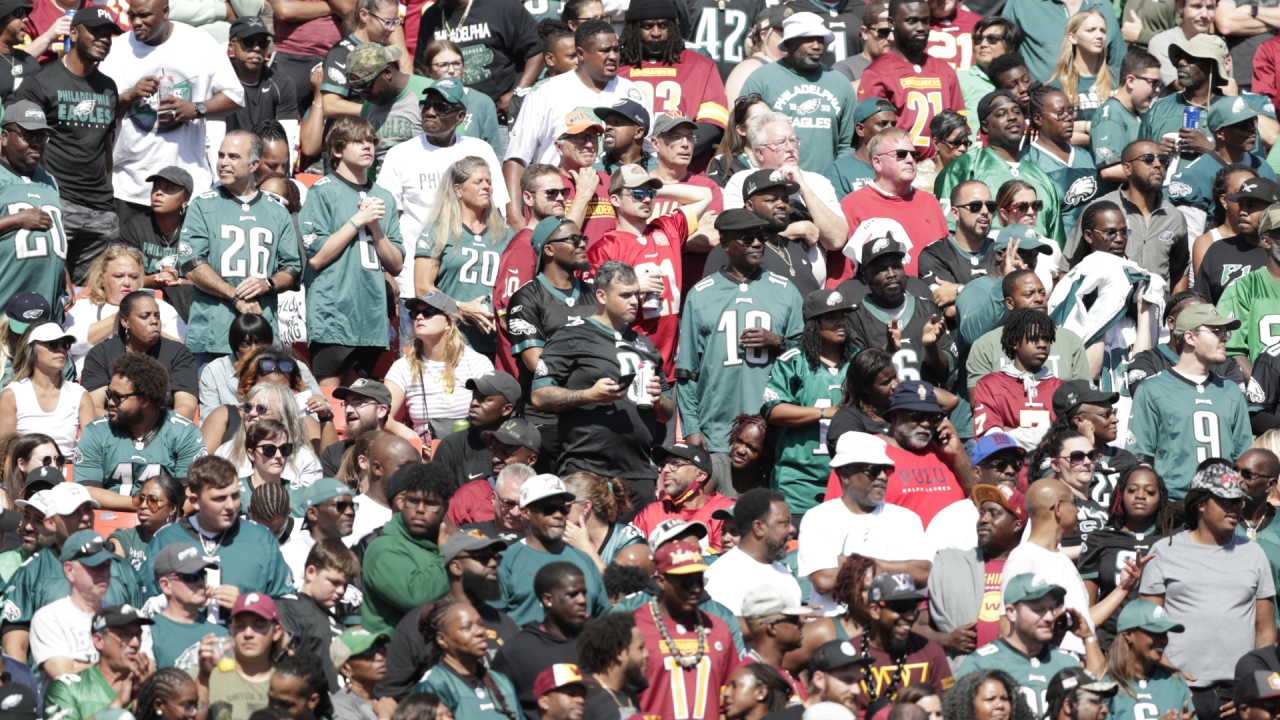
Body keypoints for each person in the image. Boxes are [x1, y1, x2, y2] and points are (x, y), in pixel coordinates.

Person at [677, 207, 804, 488]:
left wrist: (778, 343)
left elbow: (808, 360)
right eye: (747, 238)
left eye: (761, 236)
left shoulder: (786, 290)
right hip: (719, 430)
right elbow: (687, 370)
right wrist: (691, 426)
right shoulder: (700, 295)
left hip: (776, 431)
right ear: (724, 243)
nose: (758, 243)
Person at [1140, 461, 1277, 720]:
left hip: (1238, 696)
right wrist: (1168, 672)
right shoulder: (1164, 550)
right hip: (1179, 691)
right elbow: (1146, 623)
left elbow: (1266, 628)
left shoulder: (1253, 553)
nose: (1236, 507)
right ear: (1200, 503)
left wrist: (1252, 688)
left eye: (1239, 501)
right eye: (1227, 501)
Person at [530, 261, 673, 496]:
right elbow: (539, 396)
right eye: (626, 295)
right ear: (601, 296)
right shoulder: (571, 335)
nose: (635, 301)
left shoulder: (645, 344)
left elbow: (666, 412)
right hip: (588, 469)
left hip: (640, 471)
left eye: (637, 294)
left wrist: (658, 400)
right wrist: (589, 395)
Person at [99, 0, 242, 223]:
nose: (137, 22)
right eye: (132, 16)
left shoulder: (199, 43)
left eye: (145, 16)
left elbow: (235, 96)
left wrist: (195, 109)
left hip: (185, 185)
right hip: (129, 184)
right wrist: (130, 95)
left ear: (165, 11)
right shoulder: (118, 49)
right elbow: (98, 111)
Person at [375, 76, 507, 310]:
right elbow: (385, 220)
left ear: (460, 117)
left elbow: (498, 213)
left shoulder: (479, 150)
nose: (430, 112)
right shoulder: (401, 154)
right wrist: (386, 270)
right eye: (426, 105)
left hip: (470, 284)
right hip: (416, 285)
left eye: (441, 107)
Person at [502, 19, 650, 226]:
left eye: (617, 49)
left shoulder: (634, 92)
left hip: (617, 206)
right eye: (604, 50)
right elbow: (517, 158)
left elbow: (648, 153)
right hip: (558, 203)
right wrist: (515, 217)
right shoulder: (546, 92)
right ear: (580, 53)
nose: (613, 56)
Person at [12, 8, 118, 284]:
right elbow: (17, 143)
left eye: (108, 33)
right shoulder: (40, 82)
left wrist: (108, 195)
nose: (104, 38)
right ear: (73, 32)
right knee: (50, 290)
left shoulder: (109, 87)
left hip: (101, 211)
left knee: (95, 300)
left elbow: (107, 147)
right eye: (96, 31)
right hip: (57, 202)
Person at [180, 131, 302, 367]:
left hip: (262, 336)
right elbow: (191, 264)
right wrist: (234, 296)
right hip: (213, 334)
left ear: (254, 164)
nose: (223, 162)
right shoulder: (202, 206)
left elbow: (292, 268)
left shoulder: (277, 212)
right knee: (213, 404)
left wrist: (267, 283)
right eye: (221, 155)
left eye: (233, 156)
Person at [299, 117, 403, 387]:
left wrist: (375, 226)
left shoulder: (385, 197)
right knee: (330, 402)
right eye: (358, 141)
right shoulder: (322, 192)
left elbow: (396, 265)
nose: (367, 146)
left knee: (360, 402)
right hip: (333, 312)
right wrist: (358, 220)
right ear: (337, 150)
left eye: (370, 140)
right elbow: (317, 258)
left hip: (371, 315)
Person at [586, 163, 714, 378]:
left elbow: (705, 195)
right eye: (637, 193)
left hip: (672, 359)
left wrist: (657, 188)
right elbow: (592, 306)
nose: (646, 199)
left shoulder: (667, 229)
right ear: (615, 200)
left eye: (649, 193)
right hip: (630, 358)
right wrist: (633, 287)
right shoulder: (604, 248)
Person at [377, 530, 520, 702]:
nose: (492, 563)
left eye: (495, 557)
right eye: (482, 556)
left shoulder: (505, 623)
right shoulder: (423, 623)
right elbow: (390, 693)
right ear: (456, 567)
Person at [1128, 304, 1251, 497]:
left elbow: (1243, 457)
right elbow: (1141, 458)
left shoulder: (1231, 391)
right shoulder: (1151, 389)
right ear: (1190, 337)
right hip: (1175, 506)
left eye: (1225, 333)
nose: (1224, 339)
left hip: (1224, 505)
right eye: (1216, 331)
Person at [800, 432, 930, 615]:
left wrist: (854, 563)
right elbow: (824, 580)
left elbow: (921, 574)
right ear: (845, 473)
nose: (883, 476)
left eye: (887, 469)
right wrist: (894, 568)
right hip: (834, 633)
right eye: (874, 469)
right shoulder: (817, 518)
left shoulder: (906, 519)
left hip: (886, 632)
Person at [503, 217, 597, 458]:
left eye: (583, 238)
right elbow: (537, 363)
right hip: (546, 421)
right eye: (573, 240)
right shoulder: (526, 298)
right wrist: (593, 364)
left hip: (592, 417)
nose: (582, 244)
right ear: (549, 249)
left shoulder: (596, 295)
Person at [824, 381, 977, 527]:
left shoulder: (945, 451)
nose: (925, 423)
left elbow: (976, 498)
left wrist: (958, 454)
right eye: (917, 415)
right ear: (895, 416)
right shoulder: (864, 455)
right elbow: (834, 519)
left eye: (932, 417)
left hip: (955, 552)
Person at [140, 455, 291, 602]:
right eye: (219, 498)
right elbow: (144, 601)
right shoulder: (166, 539)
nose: (230, 506)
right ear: (195, 501)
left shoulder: (262, 540)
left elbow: (287, 603)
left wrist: (248, 606)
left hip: (243, 627)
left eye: (235, 496)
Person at [761, 288, 857, 513]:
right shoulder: (792, 361)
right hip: (798, 482)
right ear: (814, 324)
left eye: (843, 316)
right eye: (831, 317)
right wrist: (826, 412)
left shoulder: (858, 360)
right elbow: (773, 411)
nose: (840, 322)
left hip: (850, 479)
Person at [73, 351, 205, 510]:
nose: (110, 403)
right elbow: (86, 492)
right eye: (109, 395)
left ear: (145, 400)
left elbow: (192, 495)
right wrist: (143, 504)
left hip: (165, 526)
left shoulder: (185, 433)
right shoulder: (96, 432)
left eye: (117, 397)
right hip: (108, 522)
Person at [413, 155, 515, 358]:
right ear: (458, 190)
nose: (486, 186)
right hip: (452, 339)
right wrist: (460, 307)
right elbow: (422, 288)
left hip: (496, 340)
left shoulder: (506, 234)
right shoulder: (437, 231)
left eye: (489, 182)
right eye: (478, 182)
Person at [957, 575, 1100, 717]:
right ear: (1012, 613)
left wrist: (1088, 637)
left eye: (1051, 609)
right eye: (1039, 609)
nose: (1049, 617)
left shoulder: (1067, 663)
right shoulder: (980, 664)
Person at [935, 91, 1064, 245]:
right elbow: (946, 232)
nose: (1012, 117)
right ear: (985, 126)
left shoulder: (1044, 179)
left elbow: (1055, 243)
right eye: (1001, 113)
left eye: (1017, 111)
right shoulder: (964, 167)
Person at [1065, 140, 1190, 293]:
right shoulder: (1100, 210)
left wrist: (1175, 311)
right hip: (1108, 313)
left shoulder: (1174, 216)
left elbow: (1180, 270)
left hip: (1156, 313)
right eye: (1148, 159)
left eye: (1162, 159)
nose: (1157, 164)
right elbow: (1067, 266)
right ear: (1127, 168)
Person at [740, 12, 855, 174]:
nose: (816, 46)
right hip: (774, 185)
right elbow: (746, 138)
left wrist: (834, 179)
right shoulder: (760, 80)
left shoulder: (841, 84)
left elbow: (848, 144)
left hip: (825, 188)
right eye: (808, 39)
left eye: (820, 39)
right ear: (788, 43)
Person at [634, 540, 737, 720]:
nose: (696, 589)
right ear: (661, 581)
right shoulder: (635, 628)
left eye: (700, 581)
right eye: (687, 582)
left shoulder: (718, 628)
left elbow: (731, 698)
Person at [925, 484, 1025, 668]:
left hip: (1020, 672)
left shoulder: (1032, 567)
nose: (983, 520)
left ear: (1017, 525)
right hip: (963, 675)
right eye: (982, 513)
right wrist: (945, 639)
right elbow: (919, 625)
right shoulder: (950, 564)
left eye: (994, 514)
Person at [837, 127, 952, 285]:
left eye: (914, 154)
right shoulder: (852, 204)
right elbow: (842, 273)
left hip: (930, 303)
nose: (911, 160)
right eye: (901, 154)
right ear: (877, 162)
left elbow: (948, 257)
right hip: (875, 304)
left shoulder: (930, 202)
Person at [491, 167, 575, 379]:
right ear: (528, 198)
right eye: (551, 193)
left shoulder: (553, 245)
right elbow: (510, 320)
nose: (560, 198)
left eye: (563, 192)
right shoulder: (523, 247)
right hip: (525, 380)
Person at [858, 0, 962, 160]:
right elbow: (872, 137)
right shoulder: (876, 73)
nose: (921, 27)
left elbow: (959, 127)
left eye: (925, 21)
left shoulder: (945, 70)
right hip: (900, 169)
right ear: (892, 22)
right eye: (911, 21)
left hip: (944, 168)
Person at [1001, 480, 1097, 654]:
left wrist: (1123, 588)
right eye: (1074, 502)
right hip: (1049, 672)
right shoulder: (1023, 559)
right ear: (1058, 509)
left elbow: (1085, 620)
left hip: (1075, 668)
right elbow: (1006, 630)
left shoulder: (1061, 558)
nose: (1078, 510)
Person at [386, 291, 495, 443]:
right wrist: (401, 429)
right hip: (425, 452)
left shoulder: (477, 362)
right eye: (415, 313)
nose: (419, 317)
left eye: (428, 312)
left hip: (468, 447)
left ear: (449, 323)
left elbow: (492, 412)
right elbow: (382, 413)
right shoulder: (403, 366)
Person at [843, 236, 953, 387]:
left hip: (926, 405)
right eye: (882, 269)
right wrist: (887, 351)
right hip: (880, 409)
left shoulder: (928, 309)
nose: (891, 274)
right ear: (865, 276)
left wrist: (931, 347)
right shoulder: (854, 318)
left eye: (896, 266)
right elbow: (858, 377)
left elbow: (945, 373)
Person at [361, 462, 453, 636]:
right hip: (390, 657)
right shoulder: (383, 549)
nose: (419, 510)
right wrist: (446, 556)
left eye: (430, 503)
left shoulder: (441, 544)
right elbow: (417, 596)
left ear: (444, 508)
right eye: (413, 501)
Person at [491, 562, 589, 720]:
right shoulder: (516, 651)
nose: (582, 600)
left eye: (584, 593)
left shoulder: (596, 642)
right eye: (573, 594)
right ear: (547, 599)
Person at [66, 246, 184, 376]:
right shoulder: (84, 307)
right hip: (94, 384)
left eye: (133, 277)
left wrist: (149, 328)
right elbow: (70, 345)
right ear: (102, 278)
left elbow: (182, 351)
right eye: (119, 276)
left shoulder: (162, 308)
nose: (127, 283)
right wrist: (125, 314)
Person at [1170, 98, 1277, 241]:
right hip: (1216, 256)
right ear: (1220, 133)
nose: (1252, 128)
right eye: (1243, 124)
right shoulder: (1194, 175)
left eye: (1253, 121)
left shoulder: (1264, 166)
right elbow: (1190, 240)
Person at [79, 291, 197, 419]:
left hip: (165, 431)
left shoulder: (179, 353)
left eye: (157, 316)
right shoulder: (101, 354)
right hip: (114, 430)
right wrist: (128, 429)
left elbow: (187, 407)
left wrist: (153, 431)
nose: (154, 321)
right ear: (125, 321)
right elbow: (94, 407)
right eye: (145, 316)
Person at [848, 572, 954, 716]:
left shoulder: (931, 651)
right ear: (875, 610)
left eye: (913, 607)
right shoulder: (849, 654)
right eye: (900, 607)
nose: (910, 616)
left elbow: (947, 706)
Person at [29, 529, 126, 683]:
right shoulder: (49, 617)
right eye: (95, 566)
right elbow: (65, 676)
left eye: (107, 566)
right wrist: (119, 666)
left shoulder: (125, 617)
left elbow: (142, 671)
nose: (104, 573)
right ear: (69, 571)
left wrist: (79, 665)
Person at [0, 101, 66, 308]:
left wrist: (66, 278)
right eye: (28, 136)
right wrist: (19, 219)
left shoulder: (49, 180)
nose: (37, 143)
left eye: (41, 137)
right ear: (4, 137)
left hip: (46, 301)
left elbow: (56, 237)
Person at [412, 600, 524, 719]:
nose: (481, 631)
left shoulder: (502, 683)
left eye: (480, 624)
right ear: (442, 639)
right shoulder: (434, 685)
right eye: (467, 627)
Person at [43, 604, 154, 720]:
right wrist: (117, 705)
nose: (135, 643)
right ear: (99, 641)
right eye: (125, 634)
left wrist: (141, 698)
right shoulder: (67, 688)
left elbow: (162, 714)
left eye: (138, 635)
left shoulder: (152, 688)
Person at [971, 309, 1063, 447]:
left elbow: (1070, 438)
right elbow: (990, 440)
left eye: (1046, 339)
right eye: (1034, 339)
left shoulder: (1062, 388)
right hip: (1010, 466)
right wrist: (1049, 436)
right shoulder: (989, 385)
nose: (1042, 344)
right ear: (1014, 342)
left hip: (1053, 467)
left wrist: (1008, 431)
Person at [703, 489, 801, 614]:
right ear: (758, 528)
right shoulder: (723, 574)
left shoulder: (781, 570)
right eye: (784, 523)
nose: (792, 529)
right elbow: (723, 626)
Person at [0, 322, 93, 453]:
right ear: (29, 349)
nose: (61, 349)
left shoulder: (80, 395)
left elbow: (92, 450)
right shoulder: (12, 394)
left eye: (65, 343)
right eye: (53, 343)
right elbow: (5, 453)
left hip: (67, 470)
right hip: (25, 470)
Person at [1022, 86, 1102, 238]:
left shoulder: (1086, 157)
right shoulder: (1027, 162)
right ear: (1038, 119)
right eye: (1060, 113)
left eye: (1071, 111)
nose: (1069, 117)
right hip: (1056, 249)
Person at [117, 166, 195, 322]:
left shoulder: (196, 228)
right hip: (142, 305)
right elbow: (123, 278)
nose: (158, 192)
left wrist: (178, 281)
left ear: (186, 199)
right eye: (156, 187)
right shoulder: (135, 225)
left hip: (189, 305)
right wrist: (156, 279)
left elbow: (210, 278)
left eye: (169, 188)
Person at [276, 537, 356, 687]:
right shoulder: (288, 610)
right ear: (311, 572)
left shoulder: (336, 622)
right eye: (335, 582)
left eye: (345, 585)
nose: (341, 591)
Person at [193, 592, 286, 720]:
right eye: (240, 626)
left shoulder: (288, 683)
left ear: (276, 632)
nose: (248, 634)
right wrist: (203, 678)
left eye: (259, 626)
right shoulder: (202, 675)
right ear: (231, 630)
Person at [1101, 600, 1194, 720]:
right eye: (1154, 632)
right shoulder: (1105, 686)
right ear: (1129, 634)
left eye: (1164, 633)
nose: (1162, 640)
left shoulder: (1175, 681)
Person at [1195, 176, 1280, 304]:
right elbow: (1202, 303)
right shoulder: (1218, 250)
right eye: (1241, 204)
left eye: (1251, 205)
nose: (1242, 211)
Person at [918, 181, 995, 320]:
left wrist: (959, 289)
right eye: (975, 206)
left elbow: (1018, 298)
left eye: (990, 206)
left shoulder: (1003, 251)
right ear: (955, 213)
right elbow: (952, 311)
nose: (985, 211)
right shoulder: (934, 254)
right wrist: (999, 294)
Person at [1138, 35, 1228, 151]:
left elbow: (1250, 165)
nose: (1181, 62)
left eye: (1191, 57)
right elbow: (1137, 159)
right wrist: (1156, 153)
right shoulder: (1158, 109)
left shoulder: (1234, 112)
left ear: (1213, 65)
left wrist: (1209, 149)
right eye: (1179, 57)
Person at [417, 40, 504, 157]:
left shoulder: (483, 102)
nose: (452, 70)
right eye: (443, 65)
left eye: (456, 63)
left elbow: (495, 151)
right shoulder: (420, 101)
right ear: (428, 70)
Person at [345, 44, 431, 163]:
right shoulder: (369, 106)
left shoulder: (429, 92)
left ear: (387, 72)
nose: (363, 96)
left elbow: (453, 151)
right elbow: (370, 164)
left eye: (366, 88)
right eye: (358, 90)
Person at [148, 541, 227, 670]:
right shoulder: (148, 633)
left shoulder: (221, 635)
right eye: (191, 576)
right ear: (166, 585)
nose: (201, 582)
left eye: (203, 574)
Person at [431, 372, 519, 488]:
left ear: (507, 409)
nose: (473, 403)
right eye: (474, 397)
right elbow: (436, 499)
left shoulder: (523, 447)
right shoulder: (451, 446)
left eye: (484, 399)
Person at [222, 17, 297, 151]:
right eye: (248, 42)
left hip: (265, 158)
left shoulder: (282, 84)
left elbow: (286, 141)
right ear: (232, 47)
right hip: (228, 156)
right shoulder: (219, 81)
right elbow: (213, 136)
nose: (256, 48)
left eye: (262, 43)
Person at [316, 0, 400, 119]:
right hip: (352, 133)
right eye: (387, 22)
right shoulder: (342, 52)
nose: (392, 29)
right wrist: (384, 111)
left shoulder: (384, 51)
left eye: (395, 22)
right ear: (364, 15)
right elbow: (331, 106)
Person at [1220, 208, 1280, 369]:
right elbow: (1231, 352)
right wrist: (1262, 387)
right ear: (1266, 241)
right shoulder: (1243, 289)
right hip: (1265, 389)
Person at [1093, 51, 1164, 179]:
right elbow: (1109, 170)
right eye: (1153, 83)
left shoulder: (1137, 113)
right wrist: (1155, 177)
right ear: (1131, 81)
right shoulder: (1111, 113)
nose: (1158, 89)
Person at [1046, 10, 1116, 133]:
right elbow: (1055, 132)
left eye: (1103, 31)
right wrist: (1089, 127)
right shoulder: (1056, 85)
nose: (1099, 35)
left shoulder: (1117, 77)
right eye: (1091, 30)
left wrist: (1083, 129)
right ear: (1073, 38)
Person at [561, 471, 644, 571]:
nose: (557, 513)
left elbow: (622, 585)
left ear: (586, 507)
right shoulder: (562, 537)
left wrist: (586, 548)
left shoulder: (627, 539)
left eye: (563, 506)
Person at [575, 612, 649, 720]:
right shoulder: (585, 697)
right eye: (640, 648)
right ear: (619, 653)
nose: (647, 654)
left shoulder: (630, 695)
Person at [822, 97, 900, 199]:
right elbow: (834, 212)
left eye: (893, 124)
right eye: (882, 124)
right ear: (860, 129)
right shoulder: (838, 171)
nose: (890, 130)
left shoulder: (900, 165)